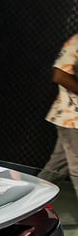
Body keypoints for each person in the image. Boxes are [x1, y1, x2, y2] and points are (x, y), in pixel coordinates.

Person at [41, 32, 78, 199]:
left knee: (55, 168)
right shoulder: (76, 41)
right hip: (71, 118)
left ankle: (28, 202)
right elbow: (59, 75)